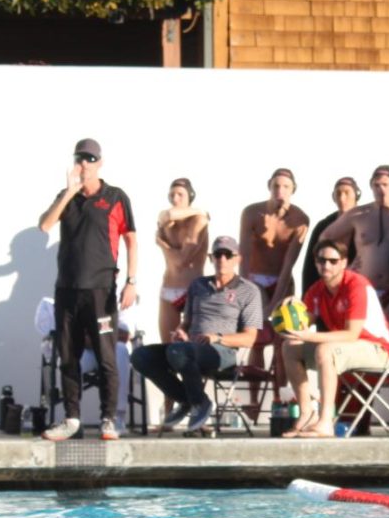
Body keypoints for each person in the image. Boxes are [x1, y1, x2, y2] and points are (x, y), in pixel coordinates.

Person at [38, 137, 137, 442]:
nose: (85, 165)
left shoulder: (115, 196)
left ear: (100, 163)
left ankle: (108, 419)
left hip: (101, 289)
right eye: (81, 159)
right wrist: (69, 192)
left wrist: (131, 281)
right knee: (68, 356)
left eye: (91, 160)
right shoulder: (67, 197)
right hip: (67, 288)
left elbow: (131, 239)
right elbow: (44, 225)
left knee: (107, 356)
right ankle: (71, 418)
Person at [130, 236, 262, 434]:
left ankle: (199, 403)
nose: (222, 260)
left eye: (228, 255)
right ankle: (186, 399)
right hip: (188, 348)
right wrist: (181, 331)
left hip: (222, 352)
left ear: (238, 259)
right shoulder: (198, 285)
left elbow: (250, 338)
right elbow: (187, 321)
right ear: (211, 258)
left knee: (179, 352)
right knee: (140, 356)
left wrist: (217, 337)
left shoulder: (248, 290)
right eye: (217, 255)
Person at [281, 238, 389, 438]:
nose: (326, 265)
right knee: (290, 347)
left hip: (376, 349)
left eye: (333, 261)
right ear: (315, 262)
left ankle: (326, 423)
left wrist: (309, 335)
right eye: (321, 260)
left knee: (325, 349)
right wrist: (288, 312)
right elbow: (302, 326)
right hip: (345, 347)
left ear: (344, 262)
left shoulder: (356, 285)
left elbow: (351, 334)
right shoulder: (316, 289)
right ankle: (307, 414)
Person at [239, 167, 310, 393]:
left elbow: (289, 266)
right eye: (276, 186)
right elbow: (244, 259)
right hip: (255, 280)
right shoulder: (252, 213)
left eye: (286, 187)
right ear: (269, 186)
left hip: (282, 280)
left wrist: (273, 304)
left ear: (293, 190)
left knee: (283, 342)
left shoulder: (300, 219)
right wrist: (249, 297)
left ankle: (280, 398)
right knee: (257, 341)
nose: (280, 191)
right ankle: (252, 400)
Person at [325, 164, 389, 312]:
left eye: (385, 184)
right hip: (364, 290)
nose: (381, 189)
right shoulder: (359, 214)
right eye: (376, 185)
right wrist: (342, 264)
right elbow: (326, 237)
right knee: (361, 334)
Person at [155, 177, 208, 344]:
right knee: (167, 346)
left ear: (190, 196)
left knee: (193, 347)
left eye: (180, 195)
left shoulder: (198, 220)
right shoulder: (167, 222)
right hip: (169, 289)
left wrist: (162, 244)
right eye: (172, 195)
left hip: (191, 290)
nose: (175, 199)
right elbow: (166, 214)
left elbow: (182, 260)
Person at [301, 177, 360, 293]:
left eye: (347, 193)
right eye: (338, 193)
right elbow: (310, 265)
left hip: (357, 285)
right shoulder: (323, 225)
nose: (342, 198)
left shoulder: (366, 222)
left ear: (356, 195)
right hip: (328, 287)